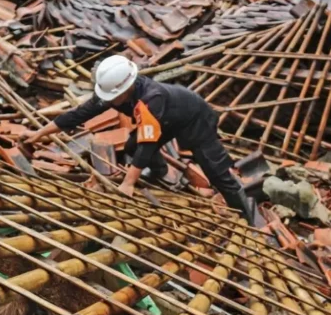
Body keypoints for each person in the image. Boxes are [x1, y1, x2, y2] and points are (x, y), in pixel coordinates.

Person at [25, 55, 260, 225]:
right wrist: (38, 134)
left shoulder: (150, 99)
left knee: (215, 170)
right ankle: (159, 173)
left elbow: (148, 145)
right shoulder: (113, 92)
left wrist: (127, 183)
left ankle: (245, 219)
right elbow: (78, 114)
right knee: (131, 145)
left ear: (124, 89)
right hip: (166, 119)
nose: (108, 101)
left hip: (194, 118)